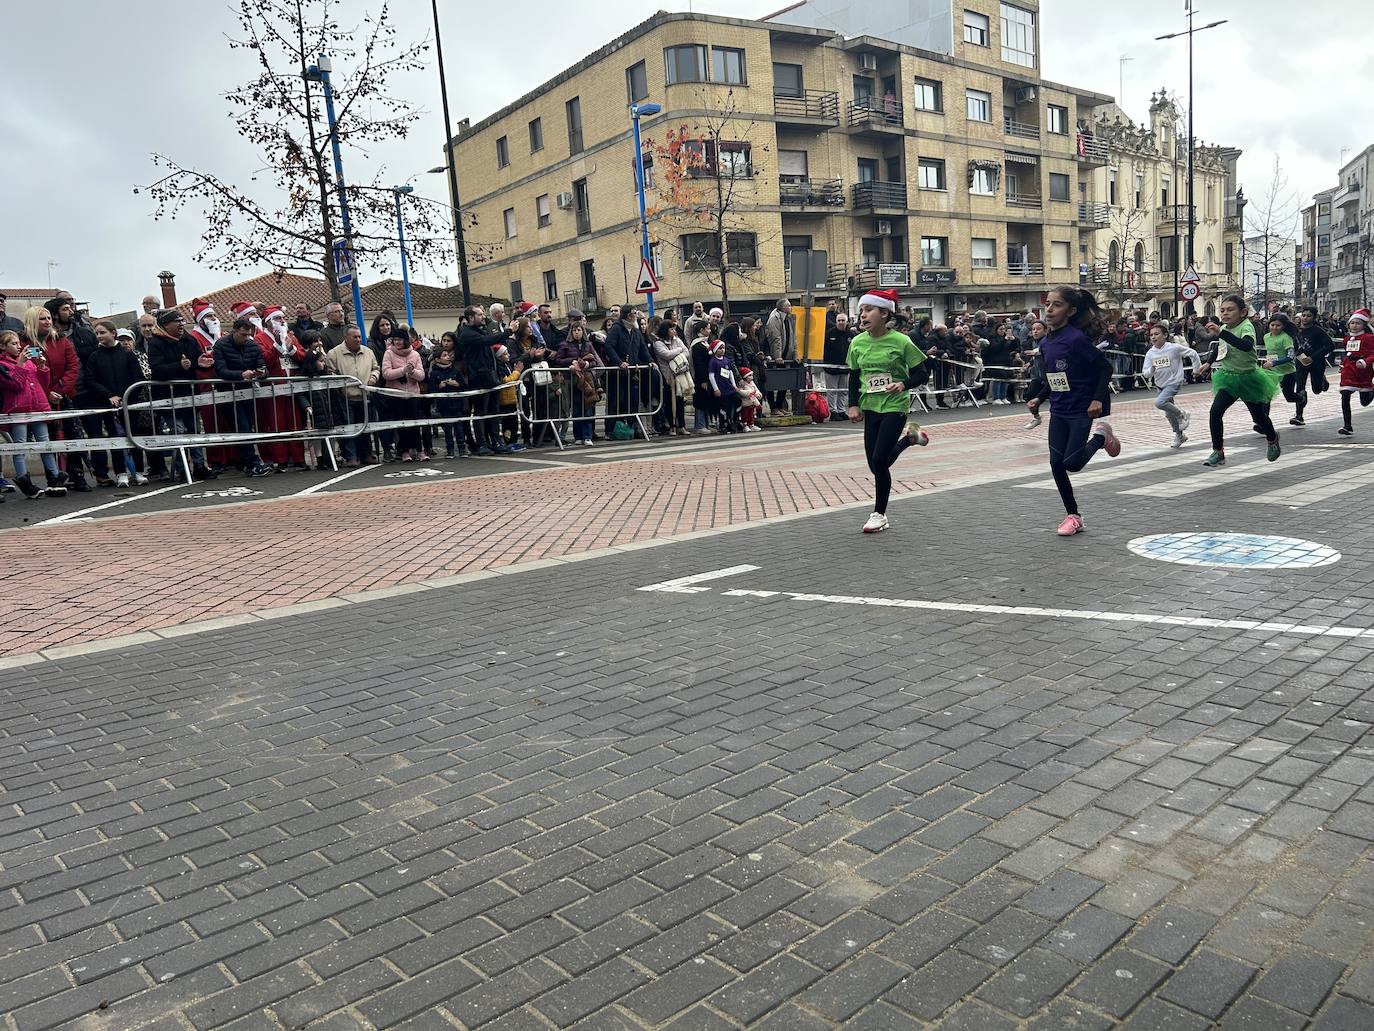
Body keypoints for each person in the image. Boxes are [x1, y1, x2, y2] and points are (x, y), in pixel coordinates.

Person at [1024, 286, 1119, 537]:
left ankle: (1101, 437)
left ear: (1071, 310)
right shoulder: (1045, 343)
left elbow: (1105, 369)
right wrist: (1039, 398)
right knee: (1056, 463)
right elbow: (1053, 378)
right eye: (1048, 304)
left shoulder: (1076, 339)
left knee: (1073, 463)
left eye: (1057, 305)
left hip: (1080, 408)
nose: (1050, 309)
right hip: (1059, 409)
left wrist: (1097, 399)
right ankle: (1073, 515)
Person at [845, 288, 930, 535]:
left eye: (868, 310)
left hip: (895, 405)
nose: (862, 315)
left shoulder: (902, 341)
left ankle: (879, 514)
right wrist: (853, 404)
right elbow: (854, 376)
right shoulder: (857, 342)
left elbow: (922, 373)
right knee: (875, 464)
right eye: (861, 310)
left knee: (880, 460)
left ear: (884, 313)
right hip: (870, 406)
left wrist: (903, 384)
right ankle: (910, 439)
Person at [1196, 294, 1281, 467]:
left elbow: (1246, 346)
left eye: (1230, 310)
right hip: (1228, 378)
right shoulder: (1224, 329)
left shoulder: (1246, 326)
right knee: (1215, 412)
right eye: (1222, 310)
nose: (1225, 314)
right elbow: (1221, 348)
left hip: (1249, 378)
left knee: (1258, 417)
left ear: (1242, 312)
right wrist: (1208, 363)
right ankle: (1217, 451)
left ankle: (1272, 438)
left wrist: (1222, 333)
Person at [0, 330, 68, 497]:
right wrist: (21, 364)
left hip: (38, 406)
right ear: (2, 346)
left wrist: (42, 367)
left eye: (18, 343)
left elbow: (43, 383)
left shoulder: (29, 361)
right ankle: (24, 479)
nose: (18, 347)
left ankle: (54, 477)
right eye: (13, 344)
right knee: (20, 445)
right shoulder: (3, 365)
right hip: (18, 409)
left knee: (44, 443)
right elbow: (15, 385)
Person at [78, 320, 144, 486]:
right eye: (97, 333)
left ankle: (139, 471)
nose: (99, 336)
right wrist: (109, 395)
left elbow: (137, 377)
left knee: (133, 435)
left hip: (129, 403)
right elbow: (90, 380)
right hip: (107, 405)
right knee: (115, 438)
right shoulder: (94, 356)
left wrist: (125, 396)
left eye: (102, 332)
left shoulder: (127, 354)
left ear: (113, 333)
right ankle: (121, 472)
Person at [211, 316, 271, 476]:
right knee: (242, 426)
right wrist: (240, 374)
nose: (246, 338)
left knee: (248, 426)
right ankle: (252, 462)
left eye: (249, 335)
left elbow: (262, 365)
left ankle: (246, 461)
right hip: (228, 392)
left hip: (248, 391)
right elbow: (220, 370)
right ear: (234, 331)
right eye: (243, 335)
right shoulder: (221, 345)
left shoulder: (252, 345)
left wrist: (262, 373)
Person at [1139, 322, 1200, 449]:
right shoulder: (1150, 353)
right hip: (1160, 385)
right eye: (1151, 335)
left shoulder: (1174, 348)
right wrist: (1152, 369)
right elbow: (1145, 374)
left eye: (1157, 334)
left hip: (1174, 382)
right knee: (1168, 413)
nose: (1153, 337)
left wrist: (1196, 369)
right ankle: (1179, 435)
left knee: (1159, 403)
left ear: (1165, 335)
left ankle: (1182, 414)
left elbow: (1193, 353)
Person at [324, 325, 379, 466]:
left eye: (360, 336)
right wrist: (342, 382)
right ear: (346, 338)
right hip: (345, 398)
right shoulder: (334, 354)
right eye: (355, 337)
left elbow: (375, 368)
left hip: (365, 396)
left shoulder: (368, 352)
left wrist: (373, 377)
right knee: (348, 428)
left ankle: (366, 454)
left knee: (365, 428)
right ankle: (351, 457)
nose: (358, 339)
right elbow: (330, 372)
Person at [380, 327, 427, 460]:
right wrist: (402, 370)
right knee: (402, 424)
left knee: (415, 424)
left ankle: (419, 450)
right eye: (395, 339)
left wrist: (412, 372)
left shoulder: (415, 355)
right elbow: (386, 373)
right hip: (396, 395)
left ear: (406, 340)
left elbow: (421, 375)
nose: (397, 342)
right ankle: (404, 451)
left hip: (413, 394)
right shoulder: (388, 354)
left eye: (400, 339)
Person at [556, 321, 601, 446]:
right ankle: (578, 436)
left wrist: (586, 364)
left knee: (588, 407)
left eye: (579, 330)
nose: (577, 332)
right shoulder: (565, 345)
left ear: (583, 331)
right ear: (571, 332)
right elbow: (559, 360)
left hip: (587, 380)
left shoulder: (588, 344)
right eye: (574, 330)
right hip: (572, 380)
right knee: (576, 409)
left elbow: (595, 361)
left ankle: (587, 435)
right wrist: (571, 362)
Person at [1290, 306, 1334, 426]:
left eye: (1308, 316)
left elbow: (1330, 345)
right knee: (1300, 387)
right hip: (1301, 361)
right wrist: (1298, 355)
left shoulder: (1318, 331)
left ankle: (1323, 382)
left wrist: (1313, 357)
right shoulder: (1297, 331)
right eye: (1303, 315)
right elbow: (1295, 345)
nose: (1305, 318)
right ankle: (1299, 415)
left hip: (1316, 362)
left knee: (1317, 389)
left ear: (1314, 317)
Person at [1338, 308, 1374, 436]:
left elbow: (1373, 354)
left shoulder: (1369, 337)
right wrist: (1342, 365)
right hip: (1348, 370)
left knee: (1364, 402)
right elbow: (1347, 354)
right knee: (1345, 395)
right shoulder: (1347, 339)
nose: (1354, 325)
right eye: (1352, 323)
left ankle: (1372, 390)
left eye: (1358, 323)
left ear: (1364, 325)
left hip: (1363, 370)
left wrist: (1366, 362)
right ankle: (1347, 425)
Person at [651, 321, 689, 436]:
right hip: (667, 376)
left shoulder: (677, 340)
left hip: (679, 374)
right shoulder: (658, 343)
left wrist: (677, 353)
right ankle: (672, 425)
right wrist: (678, 351)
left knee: (680, 401)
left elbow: (686, 352)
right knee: (669, 401)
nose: (674, 331)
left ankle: (681, 425)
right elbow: (665, 355)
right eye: (671, 329)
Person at [1262, 312, 1300, 418]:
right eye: (1272, 325)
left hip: (1287, 372)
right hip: (1271, 372)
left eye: (1278, 325)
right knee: (1266, 396)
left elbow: (1290, 356)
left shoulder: (1286, 338)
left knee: (1289, 397)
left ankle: (1301, 398)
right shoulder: (1266, 337)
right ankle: (1264, 423)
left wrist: (1274, 362)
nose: (1274, 328)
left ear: (1283, 326)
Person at [763, 298, 796, 413]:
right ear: (783, 307)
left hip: (786, 356)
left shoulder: (789, 318)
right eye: (789, 305)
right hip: (776, 357)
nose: (791, 307)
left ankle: (780, 405)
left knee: (784, 381)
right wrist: (777, 355)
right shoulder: (774, 319)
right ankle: (773, 407)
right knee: (772, 383)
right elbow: (775, 338)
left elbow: (792, 338)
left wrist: (794, 354)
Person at [823, 312, 855, 420]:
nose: (841, 322)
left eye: (843, 320)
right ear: (836, 322)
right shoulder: (829, 334)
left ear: (847, 322)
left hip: (845, 368)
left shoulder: (851, 335)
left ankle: (841, 410)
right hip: (831, 368)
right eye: (839, 321)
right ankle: (833, 411)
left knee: (844, 391)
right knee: (832, 391)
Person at [707, 340, 742, 434]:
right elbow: (711, 375)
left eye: (723, 348)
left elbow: (730, 373)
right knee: (724, 407)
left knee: (738, 400)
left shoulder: (726, 360)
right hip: (721, 388)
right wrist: (716, 389)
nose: (722, 350)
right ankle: (723, 423)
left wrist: (734, 385)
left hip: (729, 387)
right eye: (720, 348)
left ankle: (735, 419)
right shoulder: (713, 361)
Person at [738, 367, 764, 431]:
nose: (751, 377)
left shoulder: (752, 383)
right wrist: (749, 393)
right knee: (745, 414)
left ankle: (751, 424)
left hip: (752, 401)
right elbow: (740, 392)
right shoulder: (742, 384)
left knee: (751, 413)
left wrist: (758, 394)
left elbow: (756, 389)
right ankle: (745, 425)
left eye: (752, 375)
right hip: (746, 402)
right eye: (749, 375)